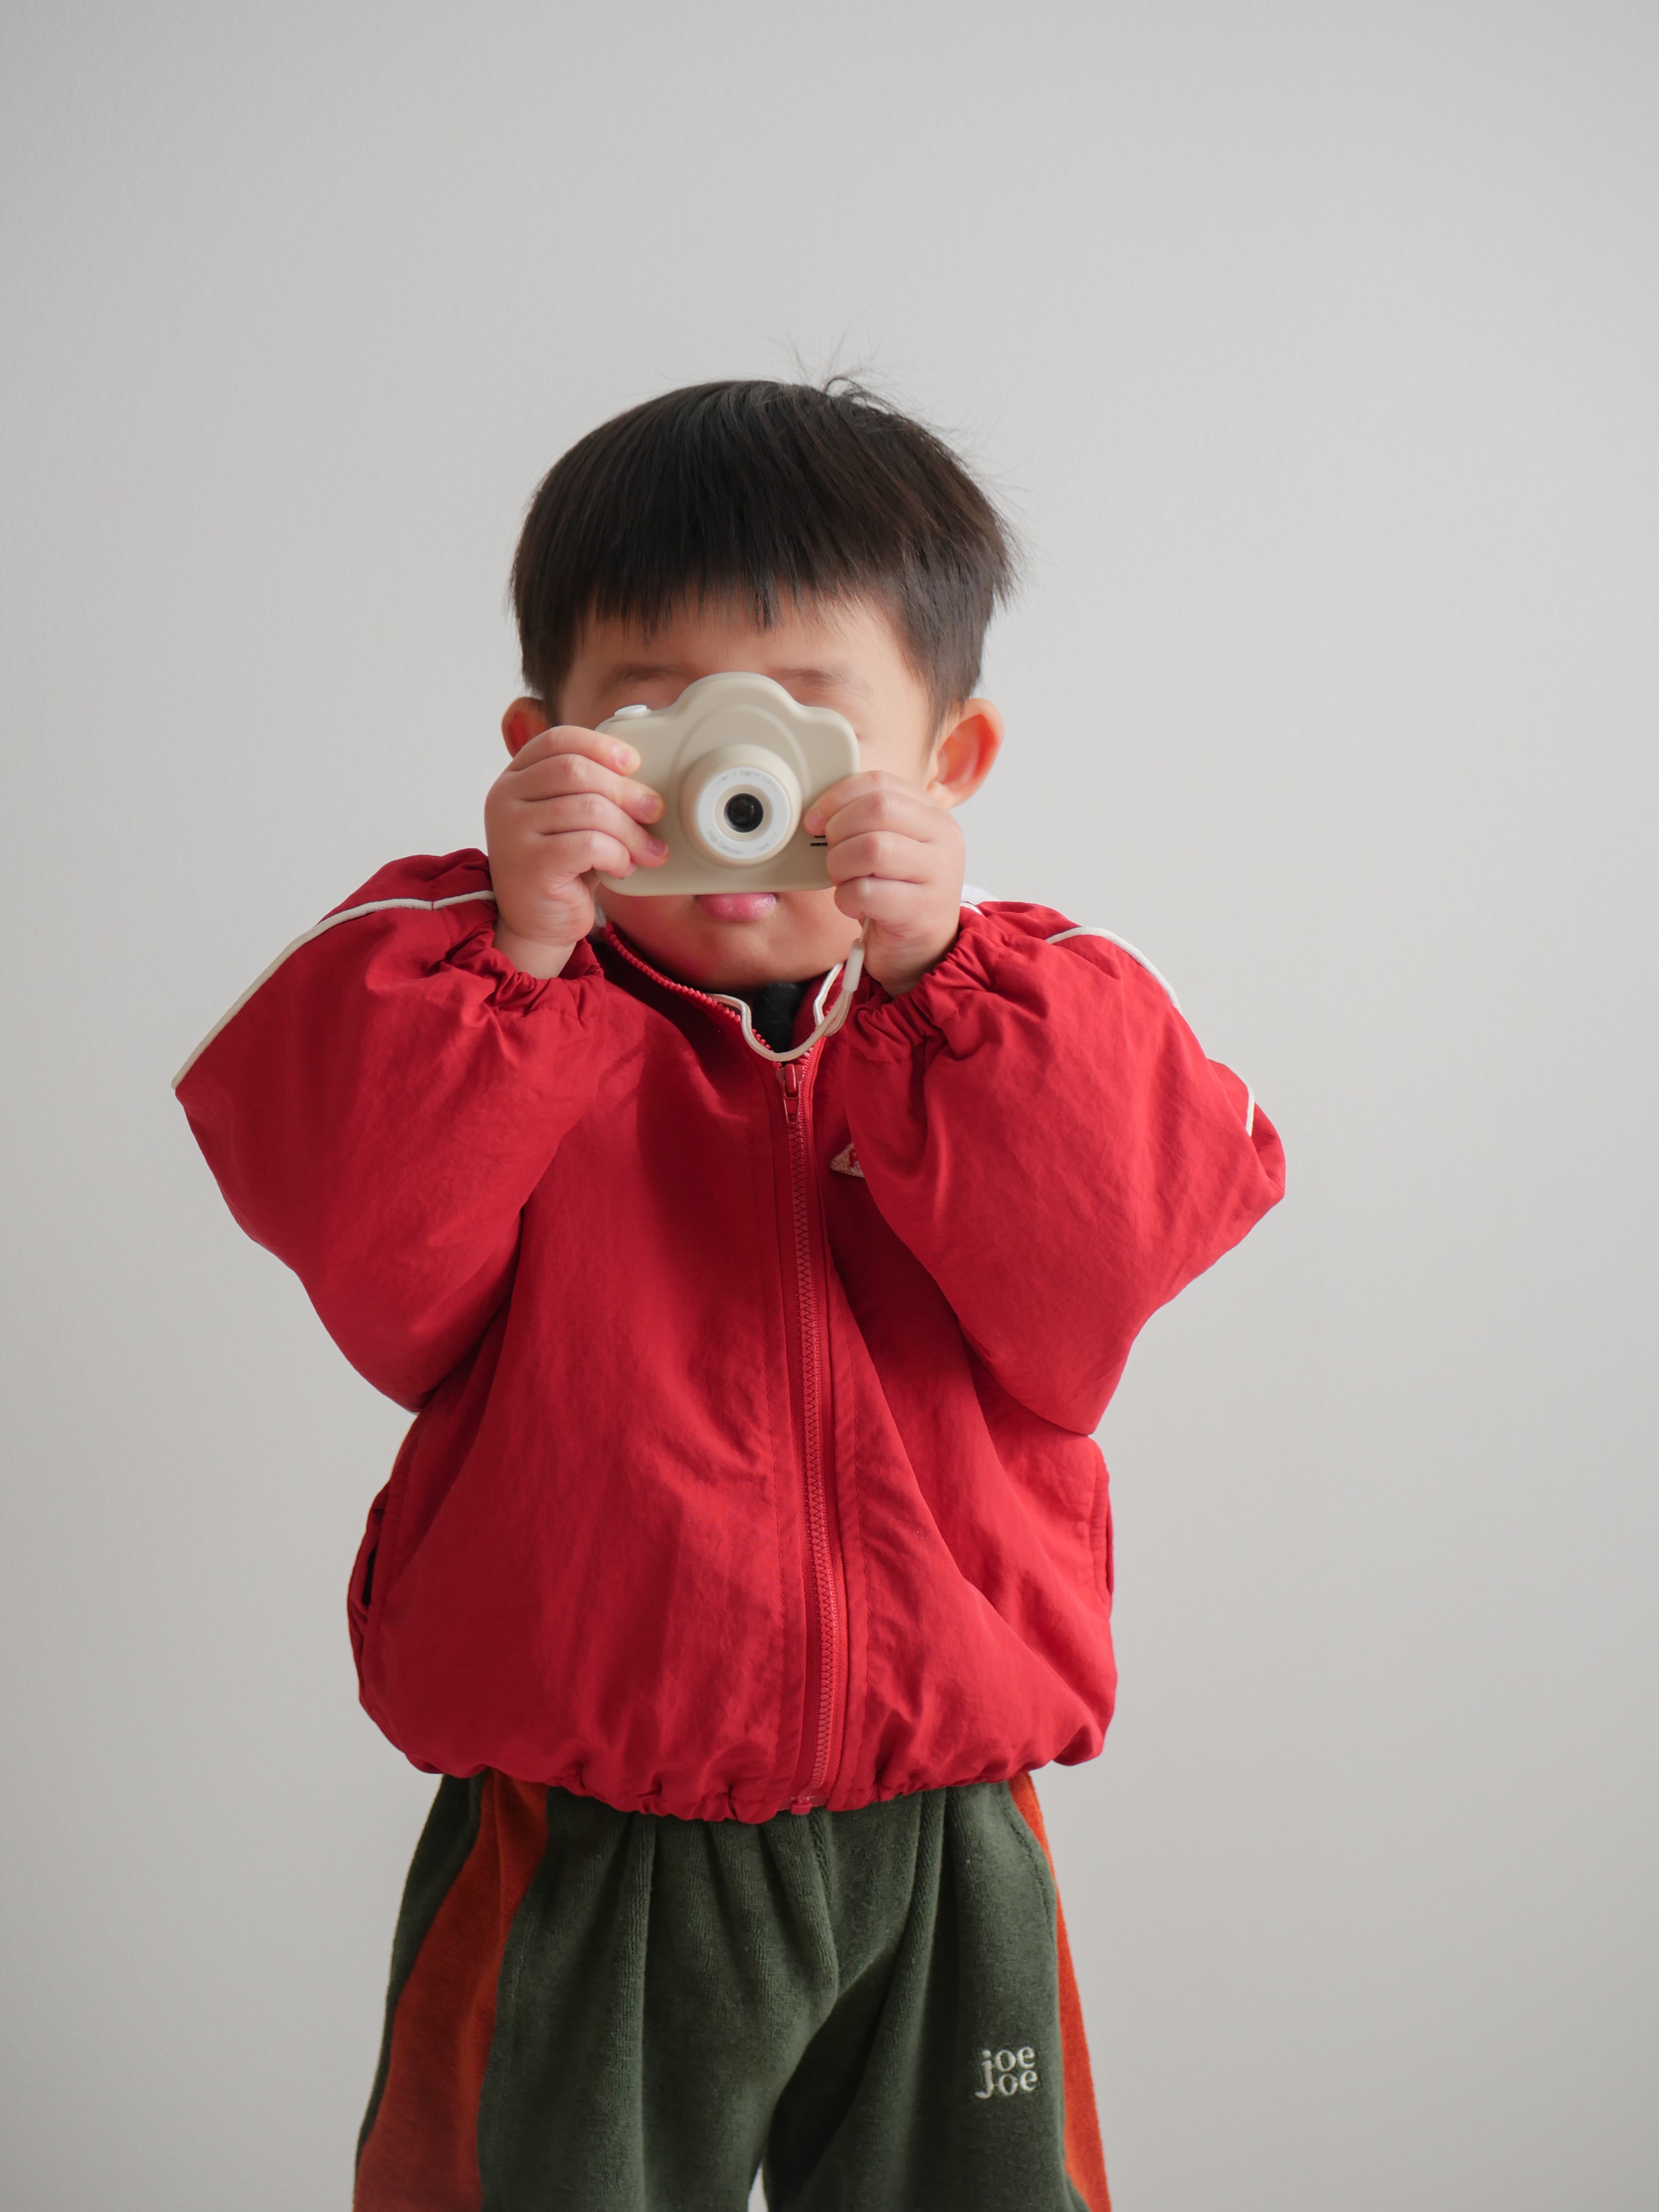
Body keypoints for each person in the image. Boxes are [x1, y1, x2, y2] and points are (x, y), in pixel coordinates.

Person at [176, 379, 1284, 2212]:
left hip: (941, 1830)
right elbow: (363, 1248)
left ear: (951, 762)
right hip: (586, 1839)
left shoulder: (1023, 1011)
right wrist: (515, 946)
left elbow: (1102, 1268)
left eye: (801, 725)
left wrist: (944, 980)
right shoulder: (475, 1004)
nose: (731, 779)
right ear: (540, 750)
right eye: (657, 720)